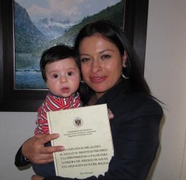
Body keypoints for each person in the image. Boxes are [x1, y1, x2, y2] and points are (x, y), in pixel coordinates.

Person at [15, 20, 163, 180]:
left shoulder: (142, 110)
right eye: (86, 59)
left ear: (124, 58)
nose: (95, 68)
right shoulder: (76, 99)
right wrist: (25, 151)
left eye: (105, 56)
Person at [32, 44, 83, 177]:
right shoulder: (54, 105)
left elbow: (83, 116)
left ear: (80, 76)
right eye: (55, 76)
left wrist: (100, 115)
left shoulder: (74, 97)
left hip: (67, 145)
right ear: (46, 82)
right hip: (49, 148)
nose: (64, 79)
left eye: (70, 73)